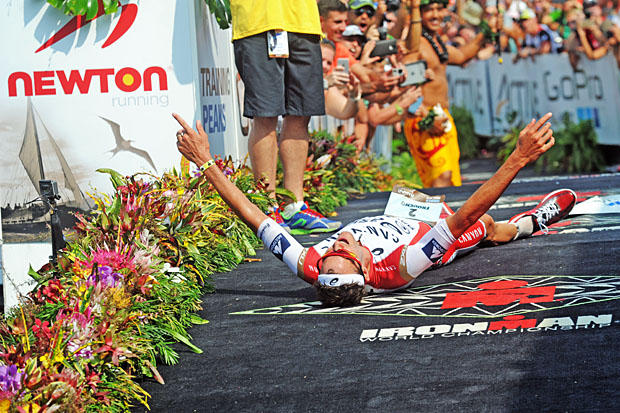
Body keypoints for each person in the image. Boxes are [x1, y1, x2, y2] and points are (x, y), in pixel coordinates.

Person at [173, 111, 577, 307]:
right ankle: (531, 222)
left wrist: (206, 162)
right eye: (345, 254)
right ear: (367, 270)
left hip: (400, 210)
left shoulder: (309, 264)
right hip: (430, 231)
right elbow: (465, 217)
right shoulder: (399, 267)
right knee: (486, 226)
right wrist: (518, 158)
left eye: (330, 254)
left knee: (413, 193)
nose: (338, 244)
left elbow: (252, 215)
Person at [231, 0, 341, 234]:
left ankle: (295, 206)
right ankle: (267, 206)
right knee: (265, 115)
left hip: (304, 23)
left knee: (300, 114)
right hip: (258, 21)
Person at [401, 0, 499, 188]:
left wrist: (487, 30)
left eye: (439, 9)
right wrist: (426, 117)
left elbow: (462, 56)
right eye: (429, 10)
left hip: (442, 117)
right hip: (424, 119)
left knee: (451, 183)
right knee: (442, 180)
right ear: (419, 13)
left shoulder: (435, 42)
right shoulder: (415, 44)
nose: (435, 15)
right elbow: (406, 85)